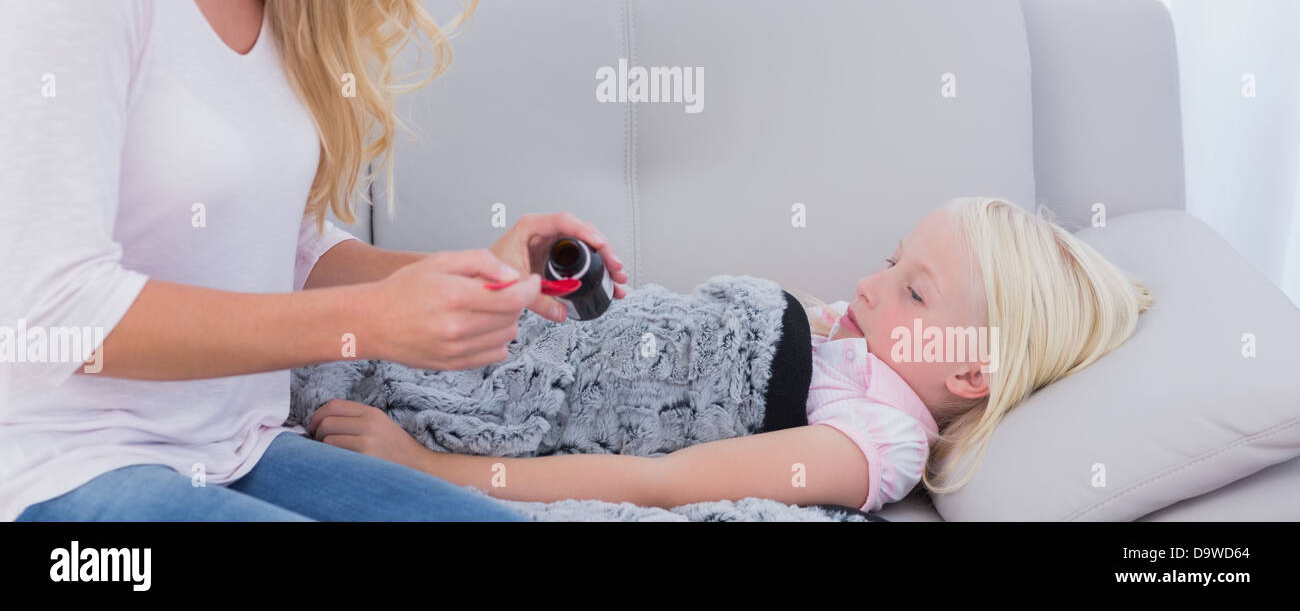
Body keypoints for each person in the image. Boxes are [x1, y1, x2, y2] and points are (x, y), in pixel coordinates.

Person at [1, 0, 632, 522]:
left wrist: (470, 279)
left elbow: (274, 247)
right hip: (65, 480)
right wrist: (370, 321)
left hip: (235, 454)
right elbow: (49, 310)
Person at [308, 198, 1157, 513]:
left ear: (972, 372)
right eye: (891, 259)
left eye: (914, 291)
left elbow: (668, 480)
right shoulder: (851, 341)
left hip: (502, 435)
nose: (869, 283)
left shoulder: (876, 438)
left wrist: (426, 470)